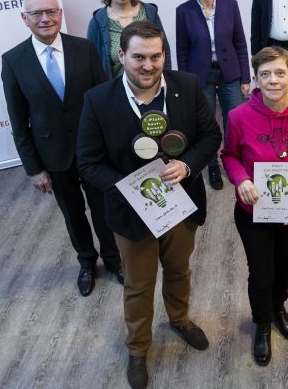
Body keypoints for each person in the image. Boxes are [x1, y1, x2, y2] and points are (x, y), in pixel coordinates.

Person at [77, 21, 221, 389]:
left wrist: (187, 163)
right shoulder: (98, 100)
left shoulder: (186, 87)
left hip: (180, 205)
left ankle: (180, 320)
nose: (148, 65)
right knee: (139, 285)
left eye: (155, 56)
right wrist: (129, 187)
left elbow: (210, 136)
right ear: (121, 55)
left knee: (178, 270)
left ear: (163, 56)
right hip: (130, 213)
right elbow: (88, 162)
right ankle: (139, 348)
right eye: (138, 56)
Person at [1, 0, 121, 297]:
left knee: (103, 208)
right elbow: (19, 122)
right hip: (52, 156)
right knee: (73, 213)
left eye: (51, 12)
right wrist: (33, 169)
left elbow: (106, 102)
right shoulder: (13, 61)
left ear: (60, 14)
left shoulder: (84, 49)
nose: (45, 19)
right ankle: (86, 262)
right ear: (24, 19)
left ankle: (113, 259)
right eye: (37, 14)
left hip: (94, 152)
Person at [220, 47, 288, 366]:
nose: (273, 80)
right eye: (265, 74)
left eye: (280, 73)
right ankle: (262, 322)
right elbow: (229, 156)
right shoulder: (238, 116)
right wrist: (241, 180)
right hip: (253, 210)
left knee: (283, 261)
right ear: (256, 78)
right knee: (261, 270)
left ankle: (278, 307)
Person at [176, 0, 250, 191]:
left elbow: (239, 42)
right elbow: (182, 50)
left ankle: (233, 161)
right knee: (206, 123)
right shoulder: (184, 11)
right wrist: (186, 83)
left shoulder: (230, 5)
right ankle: (212, 163)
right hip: (200, 77)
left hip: (230, 73)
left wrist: (246, 77)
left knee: (234, 120)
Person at [86, 0, 171, 78]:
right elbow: (92, 63)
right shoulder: (98, 21)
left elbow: (164, 50)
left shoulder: (149, 12)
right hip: (117, 91)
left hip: (152, 85)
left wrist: (166, 80)